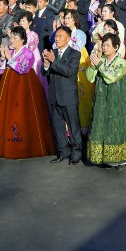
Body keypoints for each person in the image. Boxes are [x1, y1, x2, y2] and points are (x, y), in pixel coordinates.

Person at [0, 27, 54, 159]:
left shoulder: (28, 53)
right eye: (11, 37)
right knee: (7, 113)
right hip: (8, 86)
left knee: (23, 114)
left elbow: (22, 69)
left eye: (15, 38)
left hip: (24, 87)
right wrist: (2, 57)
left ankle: (24, 146)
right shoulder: (9, 51)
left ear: (23, 40)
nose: (11, 40)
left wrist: (9, 58)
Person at [86, 33, 126, 167]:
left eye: (108, 45)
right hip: (101, 99)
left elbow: (111, 77)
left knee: (116, 126)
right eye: (103, 44)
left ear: (116, 47)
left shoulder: (121, 62)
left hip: (117, 100)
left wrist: (99, 66)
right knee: (101, 125)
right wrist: (92, 66)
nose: (105, 47)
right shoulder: (100, 59)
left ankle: (119, 158)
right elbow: (90, 78)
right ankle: (101, 157)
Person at [43, 26, 82, 165]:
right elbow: (45, 73)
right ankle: (63, 151)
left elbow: (69, 72)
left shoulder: (75, 54)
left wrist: (54, 61)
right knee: (58, 126)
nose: (57, 39)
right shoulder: (52, 52)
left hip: (68, 97)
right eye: (56, 36)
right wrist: (46, 65)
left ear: (68, 38)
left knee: (73, 127)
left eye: (60, 36)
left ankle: (76, 153)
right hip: (54, 95)